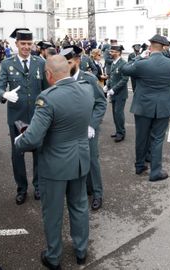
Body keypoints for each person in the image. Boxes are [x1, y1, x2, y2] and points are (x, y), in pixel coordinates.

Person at [14, 55, 94, 269]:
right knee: (79, 206)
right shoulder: (87, 88)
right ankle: (81, 250)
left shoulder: (48, 97)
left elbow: (32, 138)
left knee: (53, 212)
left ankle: (54, 256)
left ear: (49, 75)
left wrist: (18, 141)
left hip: (55, 164)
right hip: (80, 159)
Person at [0, 28, 48, 204]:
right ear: (16, 44)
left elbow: (47, 89)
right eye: (23, 44)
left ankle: (38, 186)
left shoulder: (40, 62)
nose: (26, 47)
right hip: (16, 117)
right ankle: (22, 188)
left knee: (39, 152)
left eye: (28, 43)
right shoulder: (7, 64)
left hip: (37, 116)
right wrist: (4, 95)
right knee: (18, 154)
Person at [122, 34, 170, 182]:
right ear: (164, 47)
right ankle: (155, 171)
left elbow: (124, 69)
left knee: (141, 137)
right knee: (157, 139)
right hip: (163, 106)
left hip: (143, 106)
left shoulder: (142, 63)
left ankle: (139, 166)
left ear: (150, 46)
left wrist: (138, 57)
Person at [60, 46, 107, 210]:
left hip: (88, 129)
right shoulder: (61, 79)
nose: (66, 66)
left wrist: (92, 125)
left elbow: (101, 103)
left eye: (69, 62)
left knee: (92, 160)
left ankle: (97, 193)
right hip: (69, 129)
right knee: (74, 159)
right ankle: (84, 188)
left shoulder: (89, 79)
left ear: (78, 61)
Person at [105, 44, 129, 143]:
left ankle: (121, 133)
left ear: (118, 53)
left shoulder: (123, 63)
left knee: (119, 114)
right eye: (110, 51)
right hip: (113, 93)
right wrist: (107, 85)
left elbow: (125, 79)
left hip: (120, 93)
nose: (110, 53)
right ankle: (118, 130)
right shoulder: (114, 63)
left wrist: (113, 89)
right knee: (115, 114)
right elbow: (111, 77)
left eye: (112, 52)